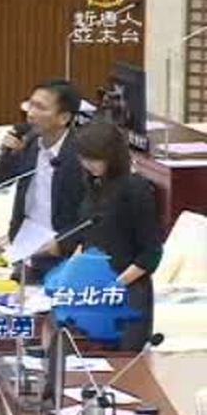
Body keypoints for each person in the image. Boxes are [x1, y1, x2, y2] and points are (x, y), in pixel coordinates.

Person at [59, 120, 162, 351]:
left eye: (94, 159)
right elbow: (88, 235)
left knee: (121, 363)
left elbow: (151, 254)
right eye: (84, 158)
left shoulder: (136, 189)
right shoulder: (94, 184)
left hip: (128, 291)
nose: (88, 165)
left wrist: (112, 285)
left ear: (112, 156)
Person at [0, 79, 84, 283]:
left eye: (41, 108)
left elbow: (91, 216)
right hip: (25, 246)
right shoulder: (29, 142)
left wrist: (63, 244)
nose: (31, 113)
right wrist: (7, 155)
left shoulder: (81, 156)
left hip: (62, 252)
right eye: (30, 105)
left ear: (64, 118)